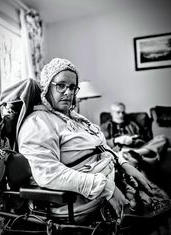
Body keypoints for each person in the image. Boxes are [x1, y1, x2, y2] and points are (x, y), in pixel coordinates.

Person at [18, 58, 170, 232]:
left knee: (163, 207)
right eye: (61, 85)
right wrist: (107, 188)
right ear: (47, 87)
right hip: (87, 199)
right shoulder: (38, 123)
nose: (68, 92)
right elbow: (48, 173)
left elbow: (101, 147)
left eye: (72, 87)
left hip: (116, 178)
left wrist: (125, 164)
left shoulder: (73, 117)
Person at [100, 102, 169, 170]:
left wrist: (134, 140)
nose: (121, 115)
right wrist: (117, 140)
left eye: (123, 112)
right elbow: (102, 143)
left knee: (162, 139)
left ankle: (134, 154)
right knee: (124, 158)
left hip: (138, 149)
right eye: (118, 112)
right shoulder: (105, 126)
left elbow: (143, 138)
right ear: (112, 113)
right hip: (120, 150)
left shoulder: (132, 124)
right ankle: (139, 159)